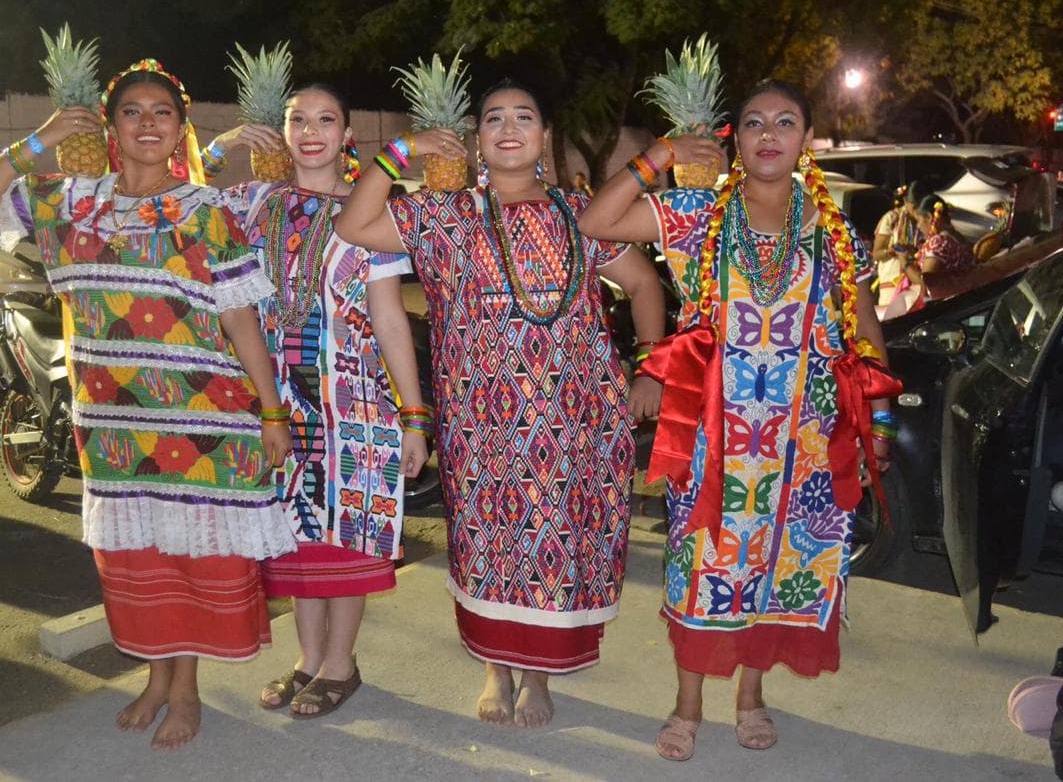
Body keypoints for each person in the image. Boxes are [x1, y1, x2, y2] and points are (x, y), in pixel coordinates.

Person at [0, 59, 296, 751]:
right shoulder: (72, 200)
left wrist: (272, 412)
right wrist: (39, 140)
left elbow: (240, 321)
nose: (148, 122)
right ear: (110, 127)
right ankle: (155, 677)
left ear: (181, 131)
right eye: (133, 111)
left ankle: (186, 688)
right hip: (112, 427)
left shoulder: (208, 211)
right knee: (136, 560)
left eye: (162, 113)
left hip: (204, 420)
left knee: (193, 561)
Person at [335, 80, 667, 728]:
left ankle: (538, 677)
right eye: (493, 118)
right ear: (476, 140)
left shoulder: (582, 212)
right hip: (481, 424)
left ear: (544, 136)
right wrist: (400, 151)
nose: (509, 126)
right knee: (488, 543)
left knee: (552, 545)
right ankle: (496, 666)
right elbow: (356, 224)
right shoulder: (445, 213)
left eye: (525, 115)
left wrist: (651, 363)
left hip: (575, 423)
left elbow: (642, 280)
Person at [580, 79, 895, 761]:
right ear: (736, 139)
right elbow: (596, 223)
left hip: (804, 439)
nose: (770, 132)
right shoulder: (699, 213)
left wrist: (880, 422)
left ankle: (751, 696)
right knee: (704, 566)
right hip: (716, 434)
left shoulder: (832, 228)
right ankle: (687, 704)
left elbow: (866, 330)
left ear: (806, 138)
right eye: (754, 122)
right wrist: (657, 154)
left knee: (780, 569)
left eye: (786, 121)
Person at [198, 83, 428, 717]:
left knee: (347, 533)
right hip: (279, 406)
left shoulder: (368, 212)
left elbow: (389, 319)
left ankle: (341, 664)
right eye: (298, 119)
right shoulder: (251, 202)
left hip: (354, 405)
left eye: (327, 119)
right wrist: (219, 148)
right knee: (296, 535)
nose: (311, 131)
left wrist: (414, 416)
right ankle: (307, 660)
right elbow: (183, 201)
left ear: (347, 135)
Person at [889, 197, 974, 316]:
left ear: (929, 217)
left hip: (946, 310)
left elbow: (925, 282)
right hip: (963, 303)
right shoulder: (958, 237)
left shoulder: (939, 242)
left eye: (919, 220)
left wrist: (903, 261)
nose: (918, 226)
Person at [871, 185, 922, 315]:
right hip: (891, 287)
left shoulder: (922, 220)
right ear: (905, 201)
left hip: (915, 284)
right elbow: (876, 254)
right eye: (914, 206)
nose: (916, 211)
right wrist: (892, 251)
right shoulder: (891, 218)